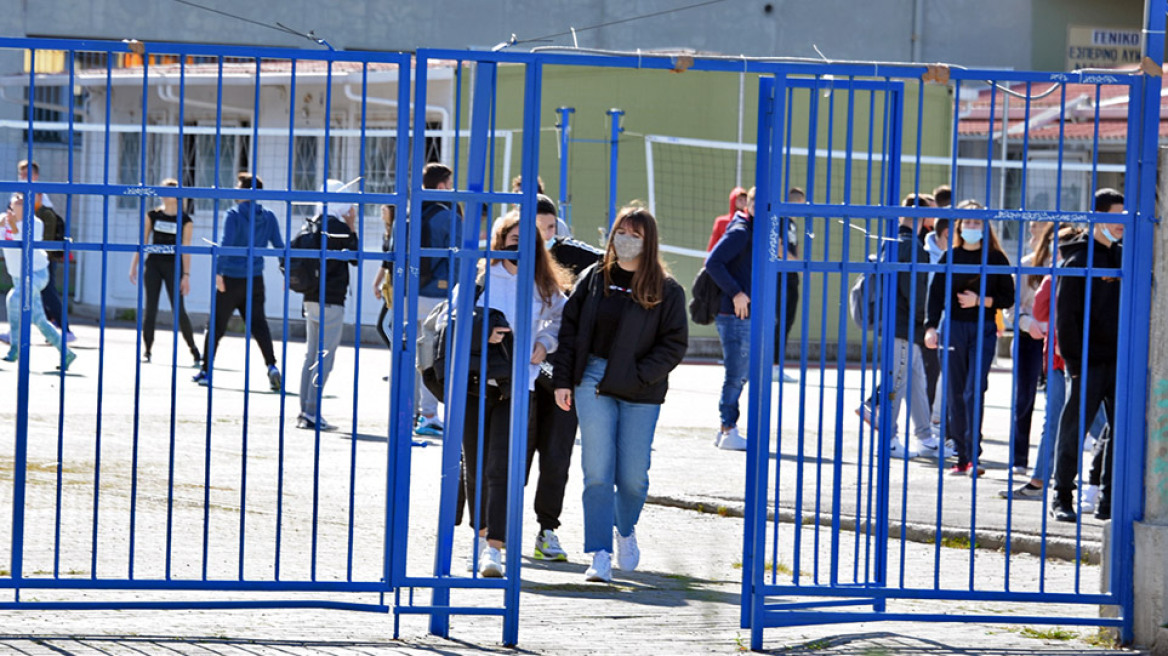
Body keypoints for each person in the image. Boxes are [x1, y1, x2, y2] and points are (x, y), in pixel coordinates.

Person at [553, 205, 688, 583]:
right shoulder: (593, 278)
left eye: (635, 235)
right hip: (592, 379)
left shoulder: (667, 289)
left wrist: (640, 375)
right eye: (621, 233)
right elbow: (570, 331)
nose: (625, 241)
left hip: (641, 390)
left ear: (649, 242)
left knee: (633, 478)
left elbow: (674, 344)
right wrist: (564, 380)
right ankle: (599, 553)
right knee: (596, 471)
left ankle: (624, 529)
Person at [460, 211, 568, 578]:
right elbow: (453, 317)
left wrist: (544, 341)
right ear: (499, 239)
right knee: (475, 467)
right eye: (511, 235)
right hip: (476, 383)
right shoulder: (479, 275)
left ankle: (495, 549)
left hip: (520, 385)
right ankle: (483, 534)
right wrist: (482, 333)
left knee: (501, 468)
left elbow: (559, 318)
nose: (517, 243)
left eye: (526, 237)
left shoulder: (544, 283)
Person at [527, 194, 602, 562]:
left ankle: (547, 530)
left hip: (563, 374)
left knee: (557, 457)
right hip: (519, 376)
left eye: (550, 228)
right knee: (512, 455)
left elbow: (615, 265)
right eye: (537, 229)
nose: (545, 236)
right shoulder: (507, 255)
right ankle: (494, 533)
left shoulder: (576, 255)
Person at [924, 200, 1015, 476]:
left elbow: (1008, 297)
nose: (972, 227)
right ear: (960, 226)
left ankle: (973, 455)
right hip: (952, 328)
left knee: (974, 390)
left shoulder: (996, 258)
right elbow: (935, 295)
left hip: (983, 329)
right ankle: (961, 457)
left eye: (977, 222)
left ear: (985, 227)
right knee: (954, 391)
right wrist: (930, 327)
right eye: (968, 222)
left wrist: (981, 301)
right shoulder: (949, 256)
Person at [1050, 189, 1124, 523]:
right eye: (1114, 217)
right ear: (1097, 217)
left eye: (1123, 217)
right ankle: (1061, 497)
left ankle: (1108, 501)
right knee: (1073, 430)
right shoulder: (1077, 261)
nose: (1120, 224)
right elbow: (1065, 318)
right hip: (1087, 363)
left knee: (1120, 431)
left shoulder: (1124, 257)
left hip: (1120, 360)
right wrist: (1075, 364)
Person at [858, 194, 935, 459]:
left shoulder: (892, 243)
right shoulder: (911, 247)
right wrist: (928, 320)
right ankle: (888, 439)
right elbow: (915, 290)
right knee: (897, 385)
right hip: (904, 327)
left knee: (915, 382)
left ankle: (925, 437)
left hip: (898, 325)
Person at [193, 173, 284, 391]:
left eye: (238, 187)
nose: (234, 190)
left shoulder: (233, 215)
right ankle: (272, 366)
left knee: (215, 325)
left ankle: (206, 371)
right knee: (259, 325)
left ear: (244, 192)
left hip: (231, 278)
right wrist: (286, 272)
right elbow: (280, 246)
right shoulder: (269, 217)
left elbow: (226, 244)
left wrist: (218, 272)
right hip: (255, 279)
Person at [295, 179, 360, 431]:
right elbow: (356, 255)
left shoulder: (313, 223)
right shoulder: (337, 227)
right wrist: (352, 225)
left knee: (311, 355)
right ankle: (312, 411)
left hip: (310, 298)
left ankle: (305, 410)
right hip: (331, 300)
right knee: (325, 358)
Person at [128, 179, 201, 367]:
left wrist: (186, 275)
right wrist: (134, 265)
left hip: (173, 267)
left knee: (179, 310)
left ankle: (193, 349)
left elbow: (186, 248)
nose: (164, 194)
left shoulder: (185, 220)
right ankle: (147, 350)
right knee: (150, 308)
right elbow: (142, 241)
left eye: (168, 191)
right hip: (153, 264)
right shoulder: (152, 215)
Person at [1, 193, 76, 369]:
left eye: (21, 203)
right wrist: (5, 222)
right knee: (39, 319)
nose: (17, 206)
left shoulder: (35, 223)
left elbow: (24, 244)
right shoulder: (4, 221)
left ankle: (14, 348)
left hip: (36, 274)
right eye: (15, 203)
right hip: (19, 276)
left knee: (13, 298)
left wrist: (11, 224)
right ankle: (66, 353)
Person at [705, 186, 754, 451]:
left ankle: (726, 428)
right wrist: (736, 292)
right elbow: (713, 262)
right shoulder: (740, 232)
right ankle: (728, 428)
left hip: (743, 315)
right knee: (736, 375)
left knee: (740, 374)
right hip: (734, 315)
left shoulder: (754, 230)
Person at [414, 162, 461, 438]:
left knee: (410, 355)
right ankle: (429, 414)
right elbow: (458, 258)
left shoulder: (410, 212)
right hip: (438, 296)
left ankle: (408, 411)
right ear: (442, 185)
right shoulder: (447, 216)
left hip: (409, 293)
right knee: (432, 358)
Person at [1005, 221, 1055, 474]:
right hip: (1029, 339)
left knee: (1057, 403)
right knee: (1024, 399)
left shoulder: (1074, 267)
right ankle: (1019, 459)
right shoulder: (1026, 265)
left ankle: (1052, 463)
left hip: (1060, 341)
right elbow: (1010, 308)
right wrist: (1027, 323)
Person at [774, 187, 804, 383]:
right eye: (800, 205)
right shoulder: (781, 220)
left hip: (791, 276)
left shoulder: (792, 224)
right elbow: (777, 247)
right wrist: (796, 263)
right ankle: (774, 365)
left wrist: (799, 263)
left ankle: (777, 365)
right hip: (781, 276)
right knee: (780, 320)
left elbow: (794, 246)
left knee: (787, 321)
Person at [372, 204, 395, 352]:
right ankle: (397, 366)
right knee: (386, 326)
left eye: (384, 210)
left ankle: (400, 363)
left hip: (397, 286)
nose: (381, 212)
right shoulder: (387, 233)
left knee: (383, 326)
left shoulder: (398, 231)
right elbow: (385, 263)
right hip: (390, 286)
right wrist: (376, 284)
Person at [706, 187, 748, 251]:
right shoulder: (721, 222)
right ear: (733, 201)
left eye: (745, 200)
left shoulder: (749, 221)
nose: (743, 202)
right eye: (740, 199)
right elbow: (713, 244)